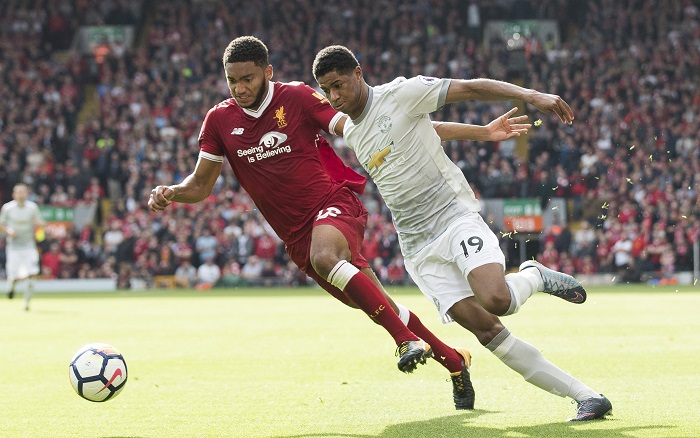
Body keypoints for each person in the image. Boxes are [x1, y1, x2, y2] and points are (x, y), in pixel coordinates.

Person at [149, 36, 512, 409]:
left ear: (267, 72)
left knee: (327, 258)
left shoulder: (298, 97)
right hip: (296, 238)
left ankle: (405, 342)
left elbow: (368, 125)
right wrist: (172, 192)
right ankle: (454, 361)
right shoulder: (219, 120)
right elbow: (201, 185)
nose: (240, 88)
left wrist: (479, 132)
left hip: (334, 205)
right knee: (379, 306)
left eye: (249, 79)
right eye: (232, 81)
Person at [312, 45, 612, 421]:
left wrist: (529, 95)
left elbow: (469, 88)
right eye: (326, 90)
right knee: (487, 331)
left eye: (338, 85)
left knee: (497, 299)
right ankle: (586, 397)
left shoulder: (402, 93)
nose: (334, 96)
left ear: (357, 73)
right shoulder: (353, 130)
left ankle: (534, 276)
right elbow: (425, 130)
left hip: (453, 216)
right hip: (418, 246)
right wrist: (482, 133)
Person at [0, 183, 45, 311]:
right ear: (14, 194)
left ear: (27, 194)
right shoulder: (7, 208)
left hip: (29, 246)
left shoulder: (32, 208)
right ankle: (11, 287)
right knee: (13, 276)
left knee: (32, 274)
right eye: (18, 192)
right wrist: (8, 231)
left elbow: (40, 225)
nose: (20, 194)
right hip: (13, 247)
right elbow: (1, 224)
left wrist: (39, 230)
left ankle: (27, 303)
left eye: (23, 191)